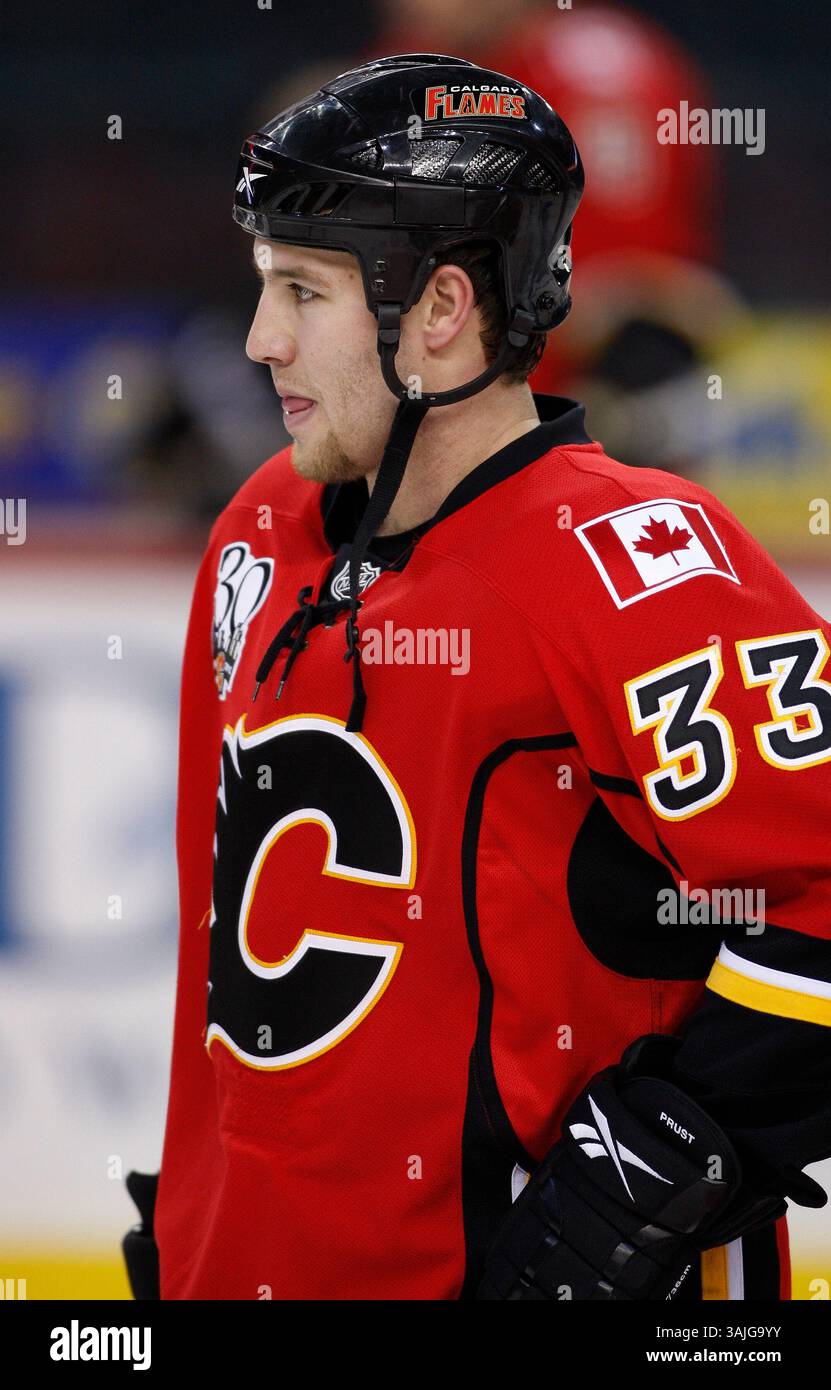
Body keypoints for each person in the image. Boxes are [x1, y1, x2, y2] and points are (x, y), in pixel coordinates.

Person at [122, 54, 831, 1301]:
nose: (258, 338)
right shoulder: (255, 532)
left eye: (301, 289)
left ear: (440, 309)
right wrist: (207, 1213)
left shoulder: (633, 564)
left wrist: (664, 1154)